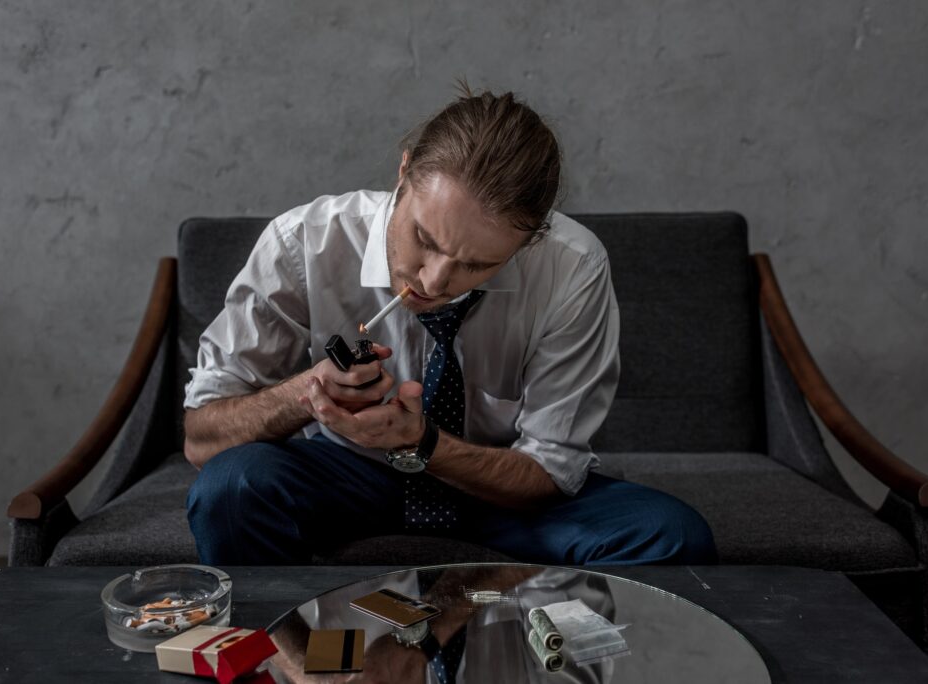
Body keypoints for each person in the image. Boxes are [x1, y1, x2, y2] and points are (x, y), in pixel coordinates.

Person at [183, 83, 717, 567]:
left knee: (672, 534)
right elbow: (200, 440)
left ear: (531, 239)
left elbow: (551, 472)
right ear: (405, 171)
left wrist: (420, 441)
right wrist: (308, 391)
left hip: (493, 485)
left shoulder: (572, 266)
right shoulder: (304, 242)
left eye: (477, 265)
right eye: (426, 239)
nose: (434, 281)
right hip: (348, 476)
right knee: (230, 487)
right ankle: (290, 665)